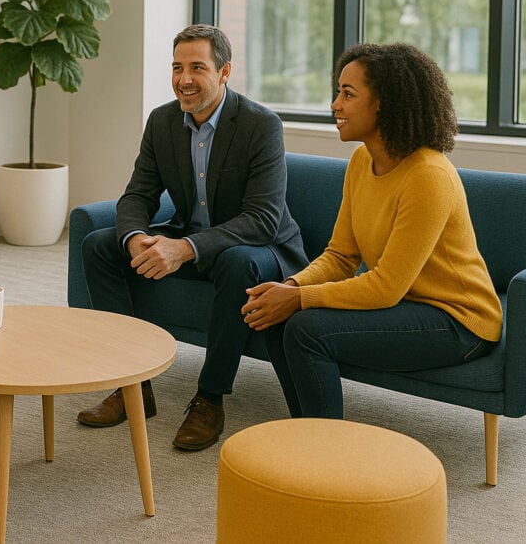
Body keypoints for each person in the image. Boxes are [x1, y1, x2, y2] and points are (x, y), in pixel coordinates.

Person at [77, 24, 308, 451]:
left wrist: (183, 249)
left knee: (235, 260)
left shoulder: (260, 125)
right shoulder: (162, 122)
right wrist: (134, 239)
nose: (185, 79)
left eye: (197, 67)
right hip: (195, 240)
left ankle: (209, 399)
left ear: (224, 72)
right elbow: (138, 194)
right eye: (178, 67)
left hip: (263, 251)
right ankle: (134, 387)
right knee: (98, 245)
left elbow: (262, 218)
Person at [243, 42, 502, 418]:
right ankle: (307, 434)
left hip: (458, 321)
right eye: (338, 92)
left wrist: (301, 300)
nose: (335, 104)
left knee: (306, 328)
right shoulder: (362, 160)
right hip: (407, 305)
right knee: (275, 318)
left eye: (348, 94)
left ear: (385, 103)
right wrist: (292, 288)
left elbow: (385, 287)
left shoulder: (428, 175)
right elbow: (340, 256)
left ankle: (327, 453)